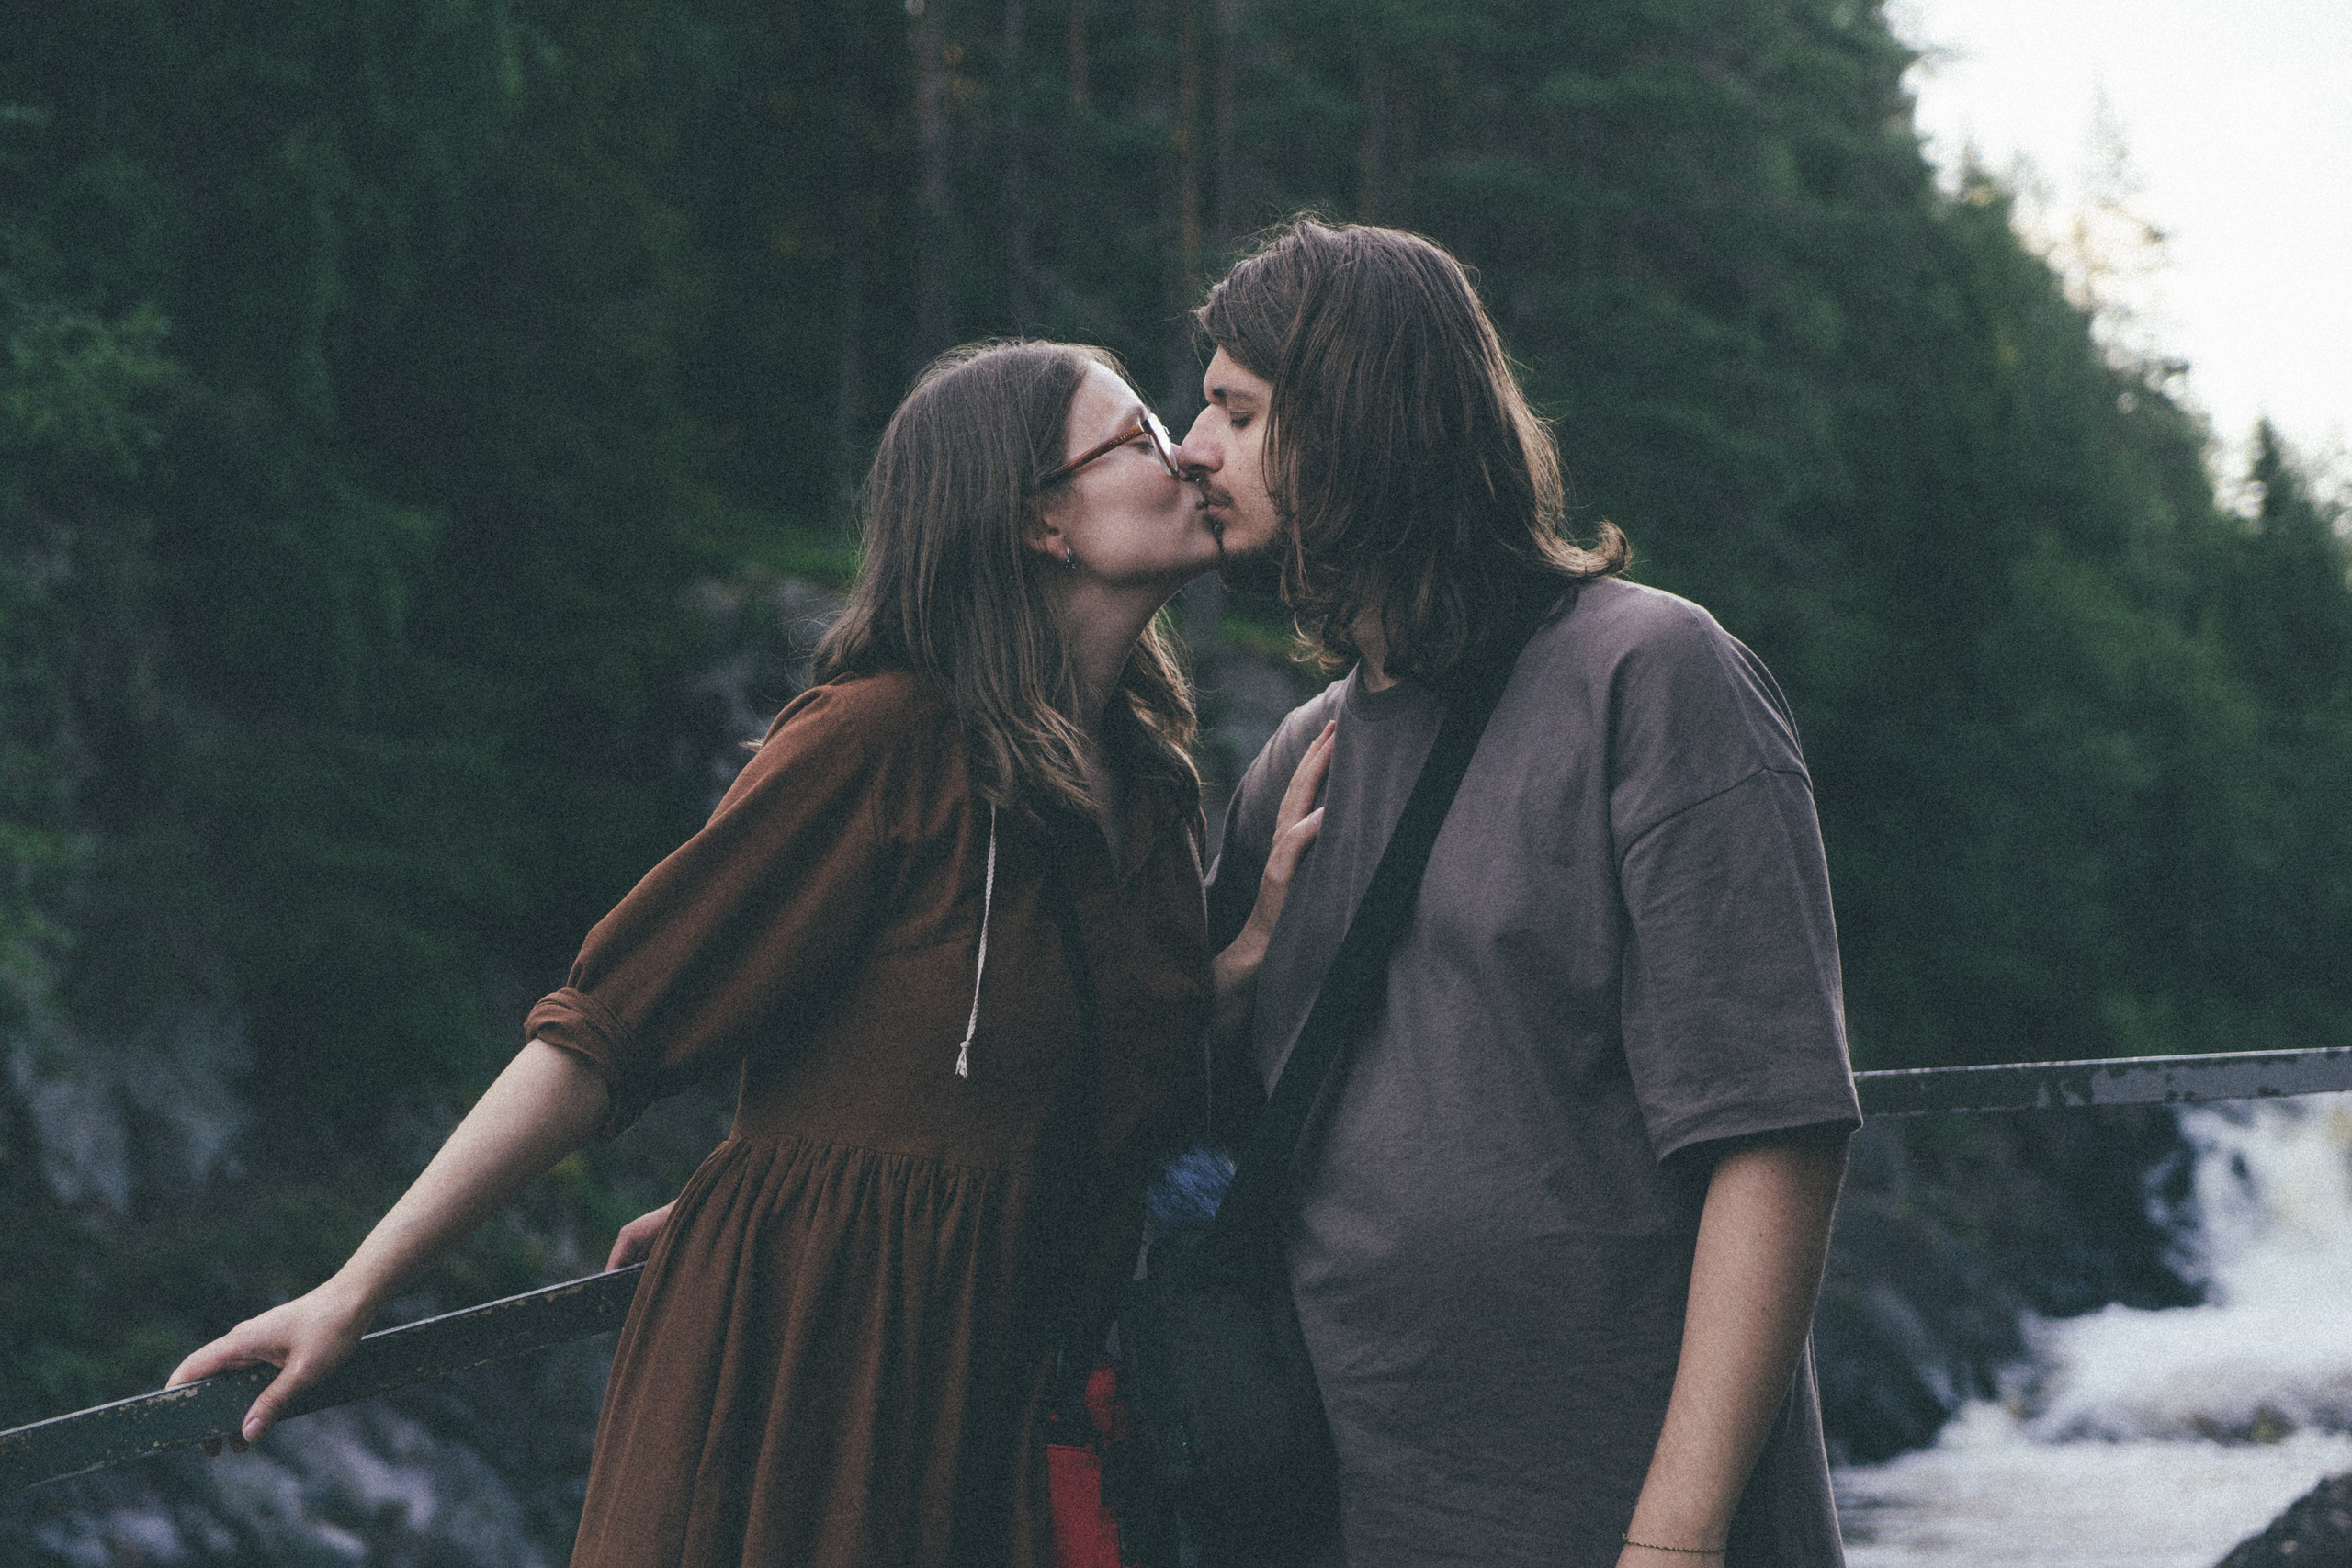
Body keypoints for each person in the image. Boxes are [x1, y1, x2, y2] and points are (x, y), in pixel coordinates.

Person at [168, 340, 1333, 1568]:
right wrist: (353, 1293)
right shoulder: (879, 744)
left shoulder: (1149, 788)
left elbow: (1092, 1079)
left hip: (1001, 1375)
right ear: (1038, 520)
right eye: (1142, 435)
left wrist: (1244, 956)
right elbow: (605, 1034)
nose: (1193, 452)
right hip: (811, 1363)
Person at [1176, 219, 1862, 1568]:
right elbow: (1176, 1102)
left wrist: (1676, 1535)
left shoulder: (1650, 676)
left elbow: (1774, 1129)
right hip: (1344, 1506)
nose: (1193, 448)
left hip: (1607, 1513)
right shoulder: (1295, 762)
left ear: (1360, 420)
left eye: (1237, 411)